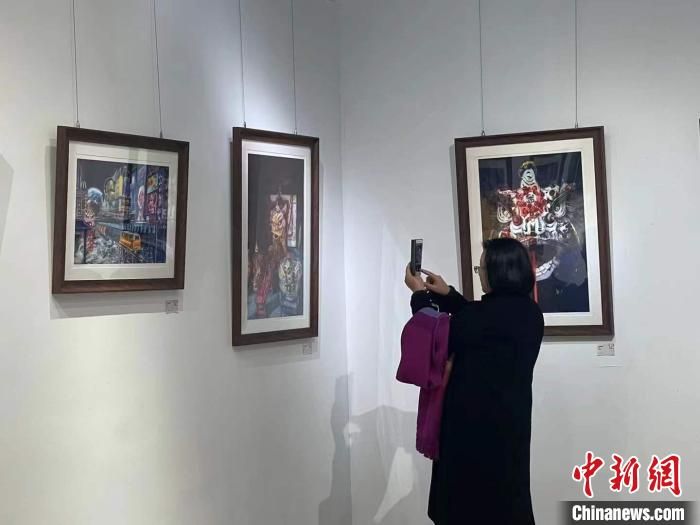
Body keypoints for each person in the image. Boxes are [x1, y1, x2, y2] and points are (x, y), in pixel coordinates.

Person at [404, 237, 544, 525]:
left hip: (469, 433)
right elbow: (477, 322)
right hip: (510, 430)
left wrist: (419, 295)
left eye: (482, 269)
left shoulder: (480, 319)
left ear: (497, 273)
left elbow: (437, 337)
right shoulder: (531, 314)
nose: (480, 274)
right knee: (506, 502)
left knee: (467, 506)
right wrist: (448, 294)